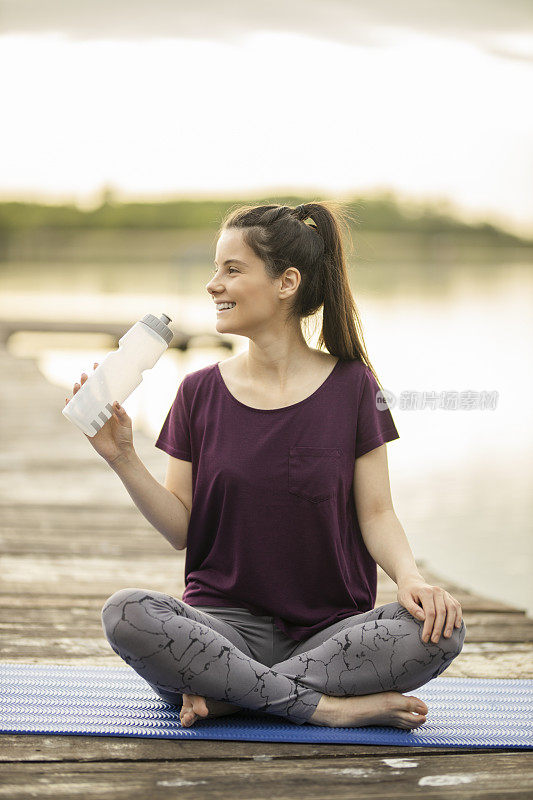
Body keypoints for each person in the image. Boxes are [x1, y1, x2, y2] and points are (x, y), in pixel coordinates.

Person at [66, 202, 465, 730]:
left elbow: (377, 513)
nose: (214, 285)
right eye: (215, 270)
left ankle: (232, 694)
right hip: (221, 631)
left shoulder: (355, 387)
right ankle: (326, 708)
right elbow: (181, 527)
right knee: (126, 612)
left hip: (330, 633)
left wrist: (411, 577)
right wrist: (122, 457)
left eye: (232, 270)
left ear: (287, 283)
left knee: (441, 627)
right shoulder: (197, 392)